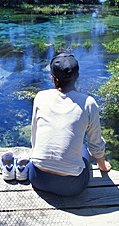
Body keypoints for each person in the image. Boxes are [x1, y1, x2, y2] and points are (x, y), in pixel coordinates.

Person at [28, 53, 111, 197]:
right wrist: (102, 167)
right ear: (77, 77)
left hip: (37, 178)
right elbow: (95, 144)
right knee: (84, 149)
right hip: (71, 187)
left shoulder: (40, 96)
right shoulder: (88, 103)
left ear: (52, 78)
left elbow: (34, 135)